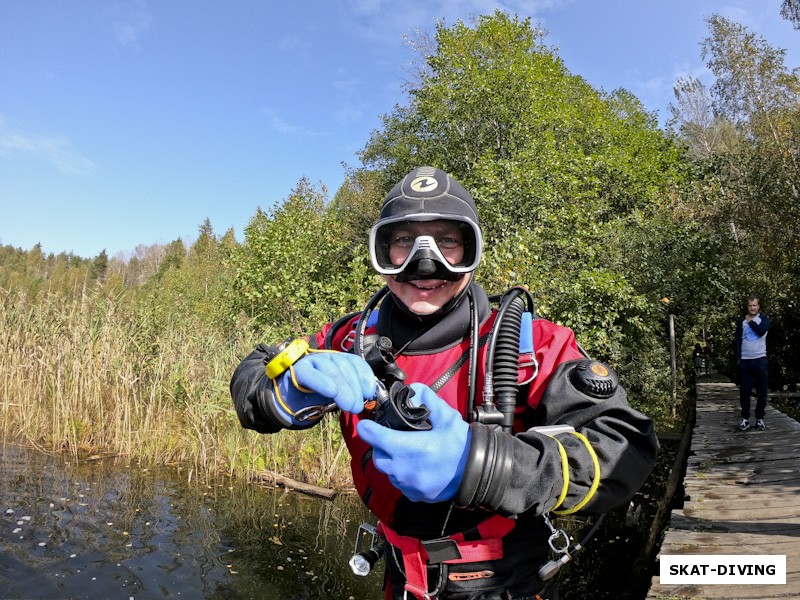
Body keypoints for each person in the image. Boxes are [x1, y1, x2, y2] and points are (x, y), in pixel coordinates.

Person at [230, 167, 658, 600]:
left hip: (502, 579)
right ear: (383, 251)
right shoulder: (347, 340)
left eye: (447, 241)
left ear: (471, 249)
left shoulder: (531, 346)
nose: (425, 261)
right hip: (399, 574)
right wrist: (283, 393)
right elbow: (255, 369)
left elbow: (627, 446)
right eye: (403, 242)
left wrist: (481, 467)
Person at [735, 296, 771, 431]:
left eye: (754, 305)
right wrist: (738, 358)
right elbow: (738, 340)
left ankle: (760, 418)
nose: (752, 308)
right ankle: (745, 419)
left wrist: (751, 322)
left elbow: (761, 331)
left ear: (758, 306)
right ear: (747, 307)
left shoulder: (764, 320)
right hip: (745, 361)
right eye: (750, 306)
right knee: (745, 391)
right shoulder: (741, 322)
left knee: (762, 391)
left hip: (760, 359)